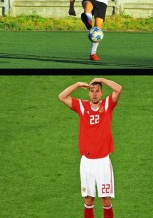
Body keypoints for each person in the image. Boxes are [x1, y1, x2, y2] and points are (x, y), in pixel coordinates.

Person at [58, 78, 122, 218]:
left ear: (101, 93)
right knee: (88, 199)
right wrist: (76, 84)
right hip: (87, 162)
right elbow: (61, 97)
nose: (94, 94)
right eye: (91, 91)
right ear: (88, 93)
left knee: (106, 200)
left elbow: (118, 89)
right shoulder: (82, 106)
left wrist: (101, 79)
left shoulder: (107, 105)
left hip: (103, 162)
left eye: (97, 91)